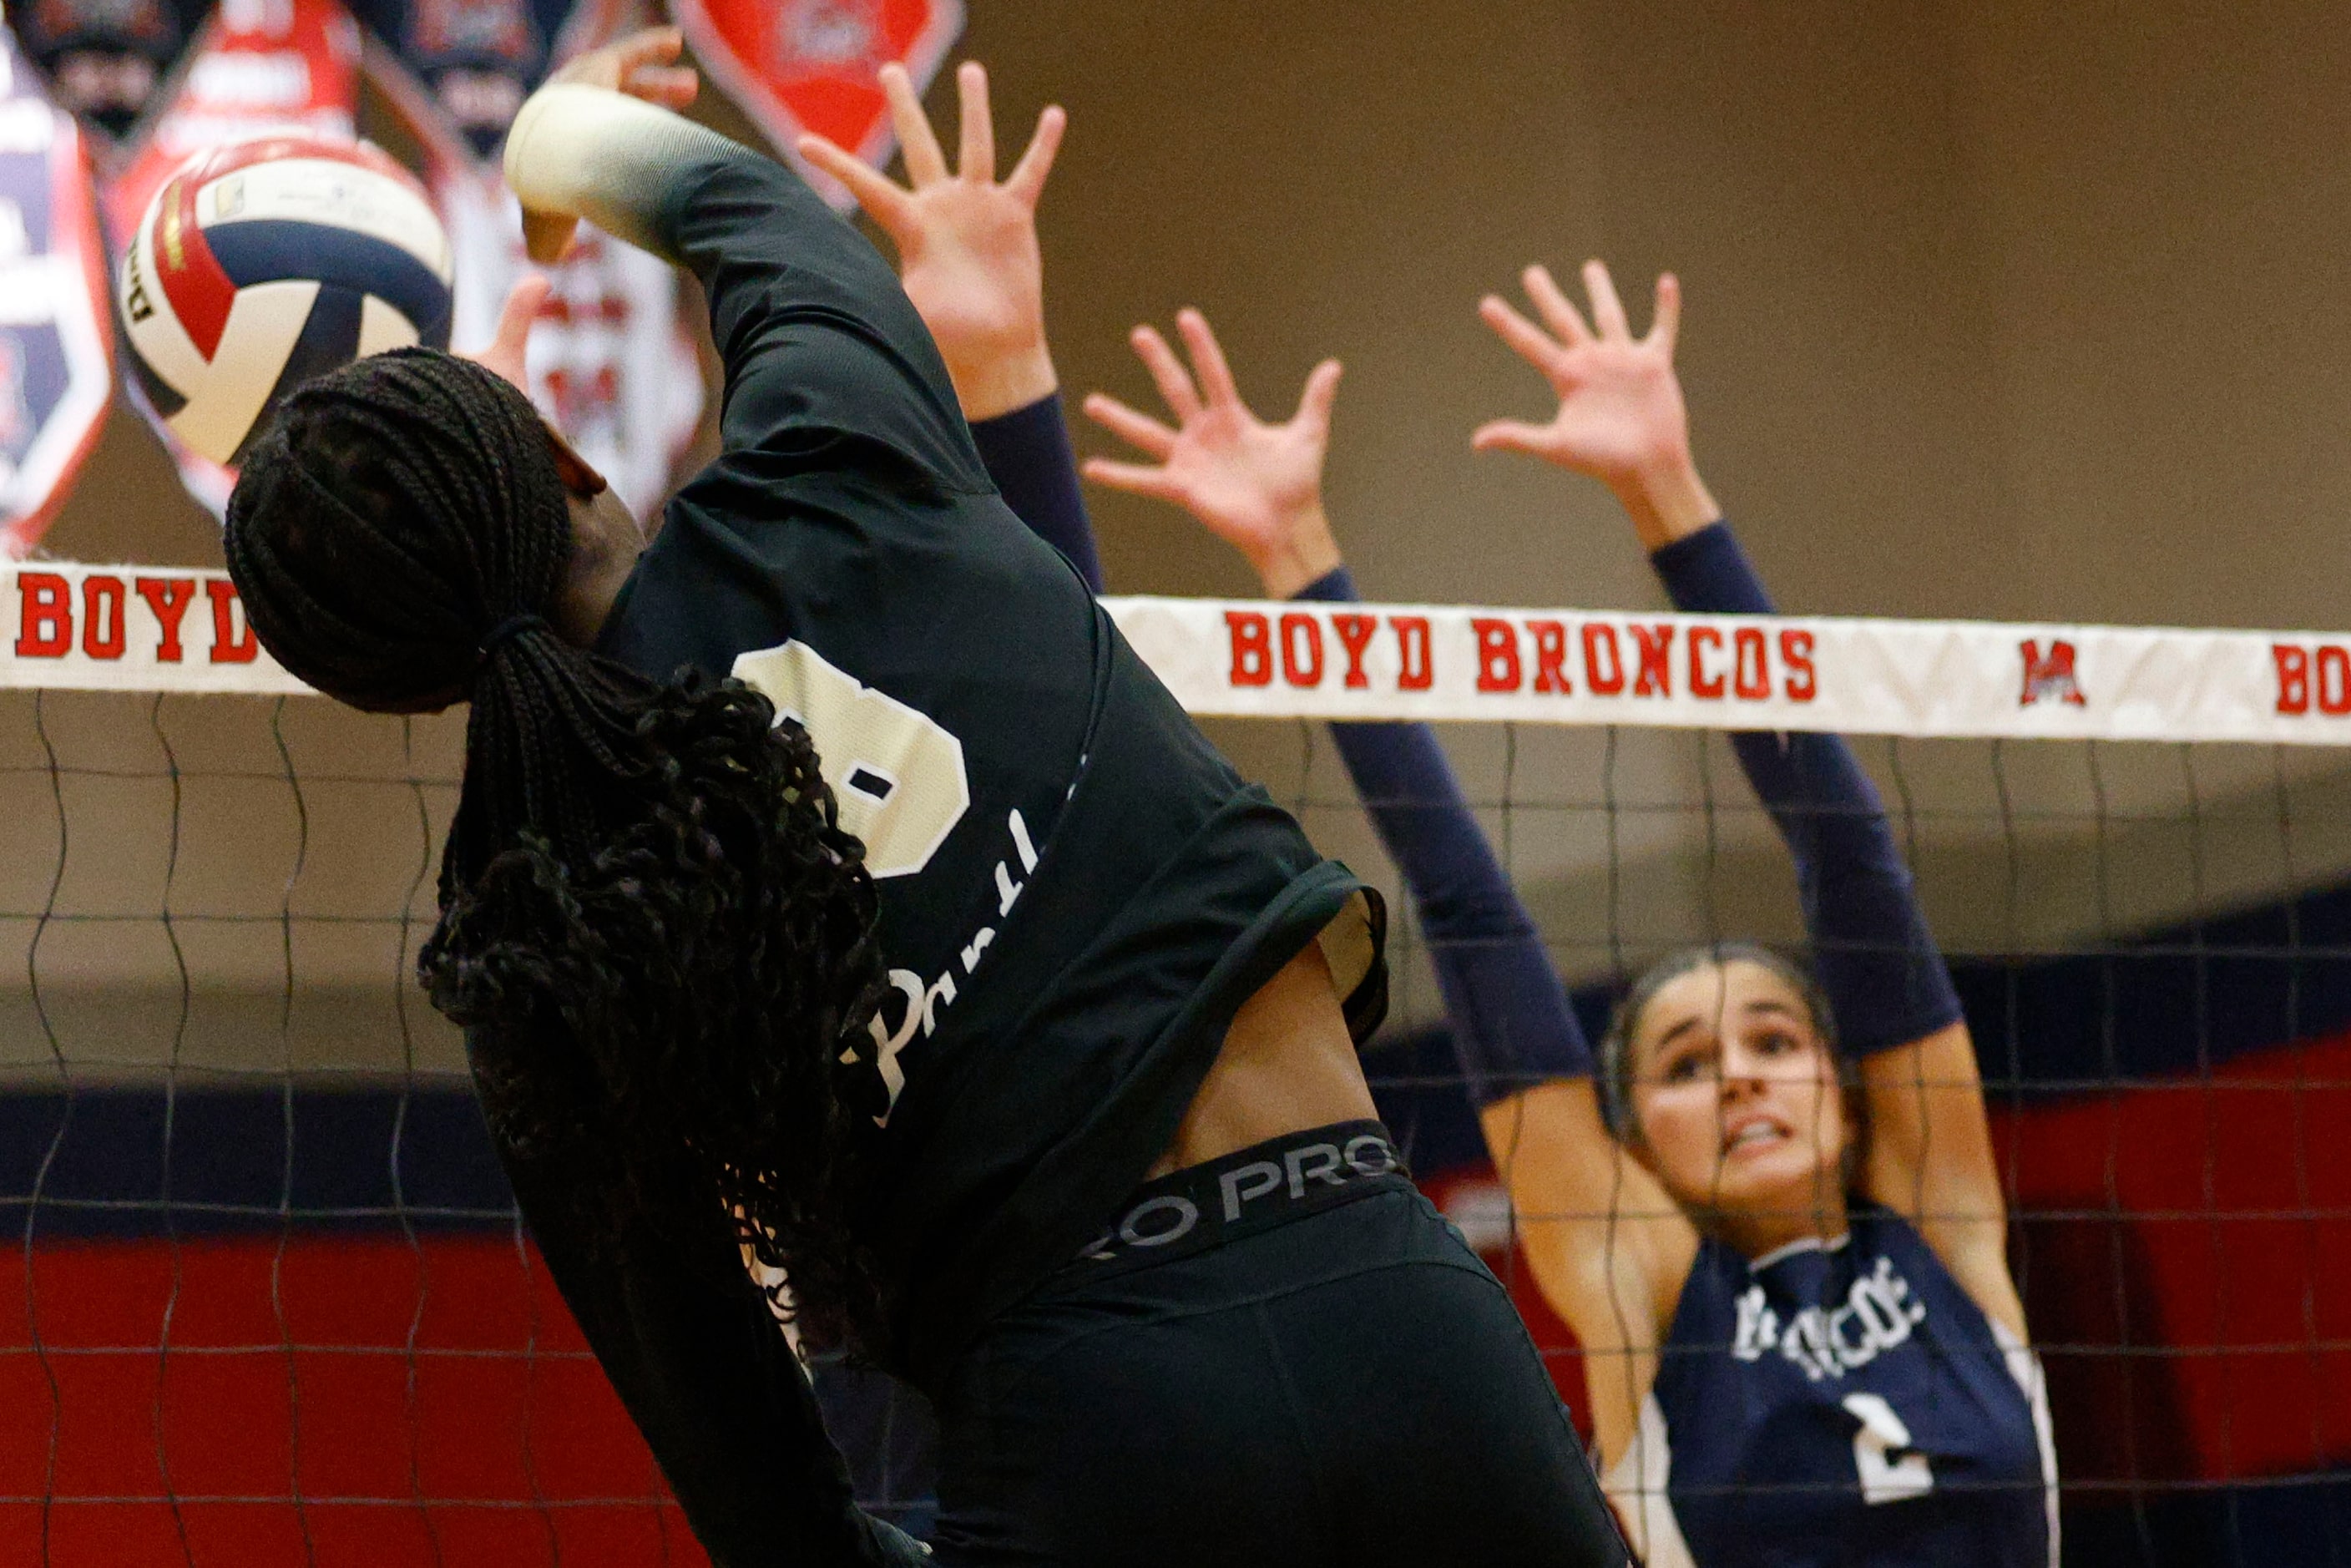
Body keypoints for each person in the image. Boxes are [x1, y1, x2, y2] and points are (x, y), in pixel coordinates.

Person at [221, 28, 1630, 1567]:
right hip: (1393, 1309)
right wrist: (551, 150)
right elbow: (733, 209)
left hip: (1080, 1423)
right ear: (565, 455)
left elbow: (757, 1483)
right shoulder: (836, 452)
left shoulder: (534, 941)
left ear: (399, 690)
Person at [1083, 272, 2059, 1565]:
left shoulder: (1946, 1221)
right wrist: (1300, 564)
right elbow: (1472, 914)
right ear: (1636, 1138)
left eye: (1774, 1038)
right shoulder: (1646, 1280)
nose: (1742, 1078)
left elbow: (1853, 860)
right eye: (1686, 1064)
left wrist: (1672, 494)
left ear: (1846, 1077)